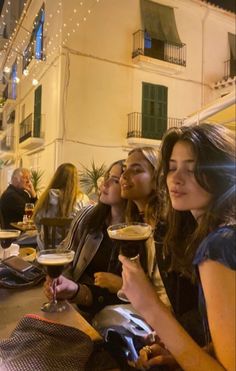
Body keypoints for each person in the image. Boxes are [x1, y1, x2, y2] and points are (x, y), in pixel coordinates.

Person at [120, 124, 235, 370]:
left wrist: (150, 306)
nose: (176, 178)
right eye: (172, 167)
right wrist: (186, 357)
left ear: (222, 174)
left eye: (192, 169)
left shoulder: (218, 247)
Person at [44, 160, 127, 317]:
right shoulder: (88, 216)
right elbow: (66, 253)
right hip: (75, 305)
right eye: (107, 176)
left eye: (115, 180)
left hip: (112, 316)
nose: (105, 183)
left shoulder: (136, 234)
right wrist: (61, 285)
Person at [33, 163, 90, 249]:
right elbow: (84, 226)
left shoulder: (44, 198)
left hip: (45, 249)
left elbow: (36, 221)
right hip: (70, 249)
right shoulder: (82, 199)